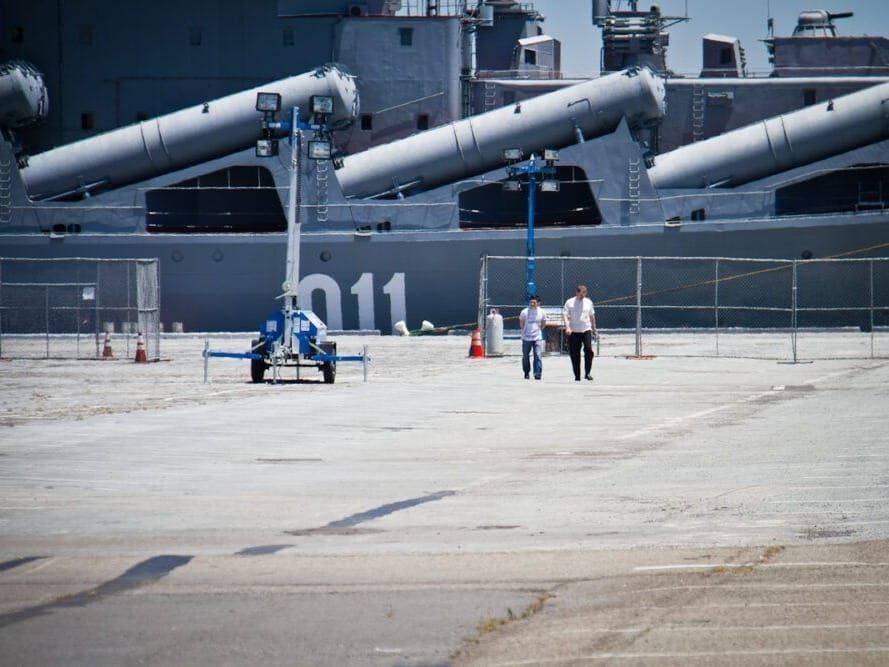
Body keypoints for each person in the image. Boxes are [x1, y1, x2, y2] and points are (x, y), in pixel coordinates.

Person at [563, 284, 598, 381]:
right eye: (580, 293)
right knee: (575, 354)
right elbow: (565, 316)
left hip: (586, 329)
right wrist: (568, 327)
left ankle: (587, 372)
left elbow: (592, 316)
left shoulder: (588, 302)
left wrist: (594, 329)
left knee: (588, 350)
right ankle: (577, 375)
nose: (582, 295)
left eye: (584, 293)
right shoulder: (570, 302)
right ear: (577, 292)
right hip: (574, 331)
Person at [519, 295, 546, 380]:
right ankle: (526, 372)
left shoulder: (542, 312)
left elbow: (543, 323)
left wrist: (538, 331)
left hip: (537, 337)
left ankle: (537, 374)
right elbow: (521, 324)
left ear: (538, 303)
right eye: (531, 302)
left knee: (537, 355)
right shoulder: (524, 312)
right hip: (526, 338)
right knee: (526, 356)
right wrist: (525, 333)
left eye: (534, 302)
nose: (532, 304)